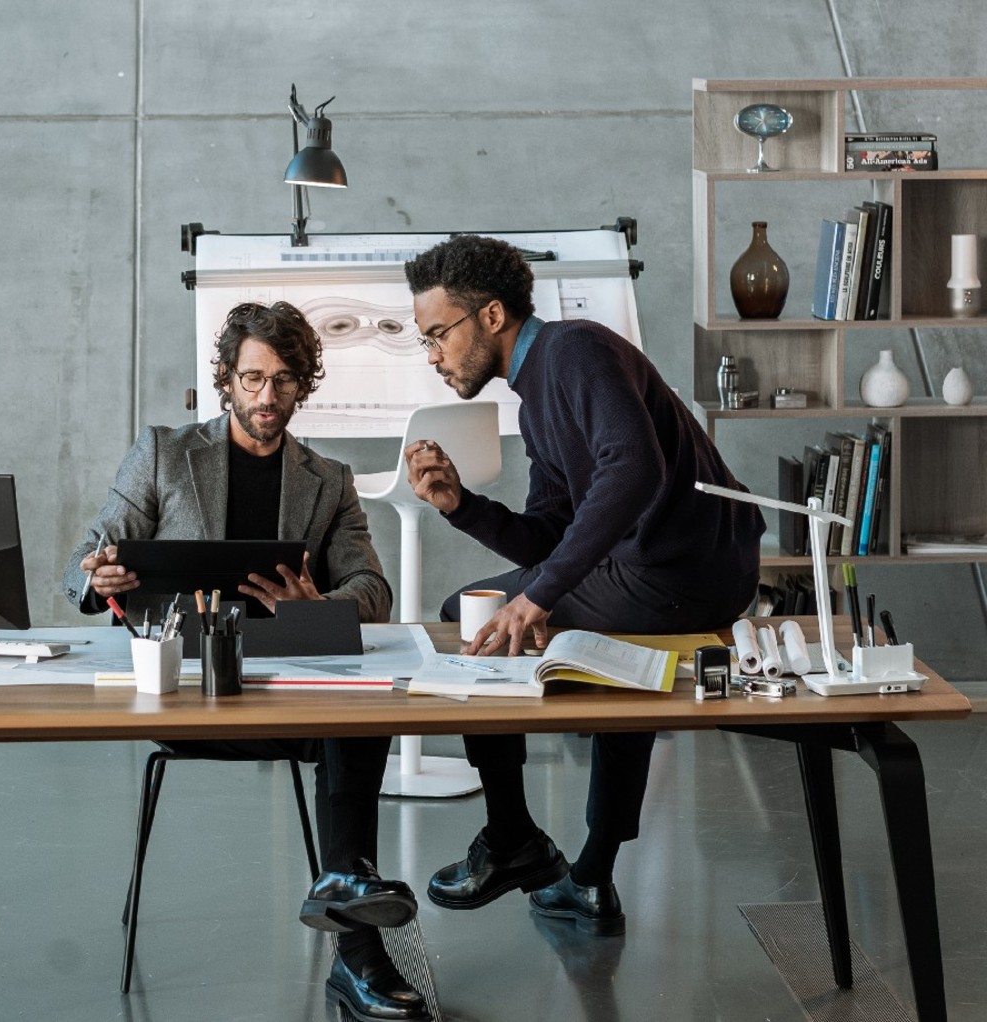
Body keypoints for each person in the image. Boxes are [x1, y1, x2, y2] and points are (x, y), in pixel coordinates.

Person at [63, 301, 430, 1022]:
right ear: (226, 378)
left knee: (365, 704)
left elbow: (373, 591)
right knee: (349, 719)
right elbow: (91, 552)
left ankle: (350, 930)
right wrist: (96, 573)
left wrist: (315, 601)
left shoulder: (328, 478)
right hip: (186, 689)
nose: (268, 398)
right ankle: (353, 905)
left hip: (292, 690)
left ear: (304, 385)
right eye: (254, 379)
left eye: (285, 381)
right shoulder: (165, 453)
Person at [402, 235, 764, 937]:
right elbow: (548, 535)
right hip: (669, 570)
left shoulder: (574, 352)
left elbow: (635, 471)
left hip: (686, 570)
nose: (433, 355)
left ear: (492, 315)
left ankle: (512, 839)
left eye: (438, 334)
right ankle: (589, 880)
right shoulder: (538, 390)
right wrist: (461, 506)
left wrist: (535, 601)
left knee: (472, 616)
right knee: (493, 610)